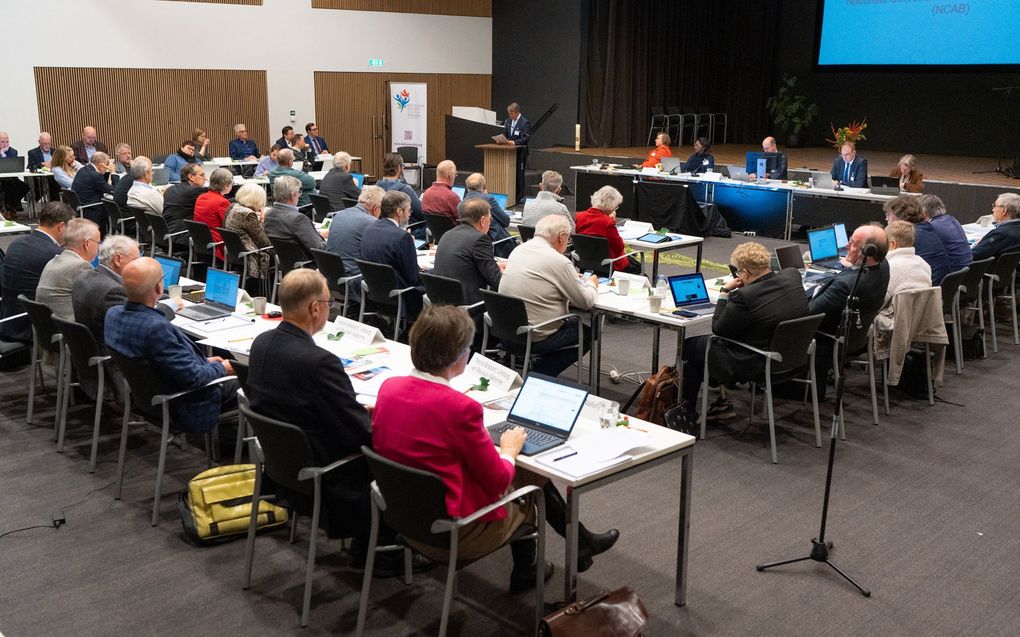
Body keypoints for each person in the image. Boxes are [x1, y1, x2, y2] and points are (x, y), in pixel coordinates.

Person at [371, 304, 619, 590]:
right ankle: (530, 569)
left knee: (526, 473)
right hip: (455, 532)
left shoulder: (389, 388)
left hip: (404, 517)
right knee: (531, 487)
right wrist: (509, 450)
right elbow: (499, 480)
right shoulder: (460, 408)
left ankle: (581, 544)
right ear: (460, 356)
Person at [247, 269, 373, 540]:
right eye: (329, 304)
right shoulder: (320, 362)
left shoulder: (261, 343)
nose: (330, 309)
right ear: (315, 308)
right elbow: (361, 433)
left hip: (284, 466)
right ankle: (381, 548)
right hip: (328, 472)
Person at [680, 242, 809, 424]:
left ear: (745, 273)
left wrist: (725, 292)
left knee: (691, 347)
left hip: (755, 361)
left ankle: (687, 412)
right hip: (792, 357)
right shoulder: (792, 276)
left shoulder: (745, 296)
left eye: (739, 272)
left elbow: (719, 328)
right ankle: (719, 401)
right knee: (706, 350)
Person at [105, 257, 236, 433]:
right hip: (186, 405)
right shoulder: (156, 329)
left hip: (149, 400)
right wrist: (223, 368)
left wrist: (204, 361)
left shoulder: (113, 315)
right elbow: (193, 378)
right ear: (159, 288)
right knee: (253, 379)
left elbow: (168, 364)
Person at [498, 215, 597, 377]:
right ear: (562, 237)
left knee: (570, 322)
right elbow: (586, 302)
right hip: (534, 336)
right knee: (587, 333)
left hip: (505, 332)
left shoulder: (518, 250)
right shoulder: (559, 261)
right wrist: (593, 284)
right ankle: (539, 374)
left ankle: (538, 369)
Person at [807, 225, 890, 399]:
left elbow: (809, 312)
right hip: (856, 338)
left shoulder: (846, 285)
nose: (846, 247)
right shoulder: (883, 267)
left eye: (852, 243)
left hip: (826, 340)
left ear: (866, 253)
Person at [0, 201, 73, 344]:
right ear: (61, 226)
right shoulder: (55, 255)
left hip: (8, 319)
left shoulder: (15, 244)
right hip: (33, 327)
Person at [72, 235, 157, 351]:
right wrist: (167, 307)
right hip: (112, 358)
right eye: (135, 260)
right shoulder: (113, 291)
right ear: (117, 259)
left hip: (87, 353)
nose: (139, 265)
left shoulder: (85, 276)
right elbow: (139, 327)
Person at [359, 190, 424, 320]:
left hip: (374, 292)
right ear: (399, 212)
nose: (409, 215)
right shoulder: (402, 237)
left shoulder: (368, 229)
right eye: (409, 211)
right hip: (400, 296)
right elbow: (413, 278)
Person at [435, 197, 503, 306]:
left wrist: (494, 266)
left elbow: (466, 264)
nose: (490, 223)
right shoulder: (480, 239)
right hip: (469, 308)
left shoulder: (447, 234)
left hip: (443, 305)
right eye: (490, 219)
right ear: (482, 221)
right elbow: (496, 280)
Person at [875, 221, 933, 334]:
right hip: (920, 323)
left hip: (894, 325)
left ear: (892, 244)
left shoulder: (890, 267)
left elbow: (878, 304)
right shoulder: (924, 264)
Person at [36, 219, 101, 321]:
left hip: (50, 329)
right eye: (98, 242)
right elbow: (98, 302)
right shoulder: (80, 266)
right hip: (69, 332)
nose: (99, 247)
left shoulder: (54, 260)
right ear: (87, 244)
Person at [574, 185, 641, 274]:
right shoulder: (607, 222)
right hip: (609, 265)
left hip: (585, 263)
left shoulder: (578, 217)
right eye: (616, 206)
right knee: (637, 266)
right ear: (610, 205)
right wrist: (612, 220)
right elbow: (619, 247)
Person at [883, 194, 949, 284]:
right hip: (935, 286)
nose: (886, 218)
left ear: (900, 216)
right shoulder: (927, 228)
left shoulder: (908, 235)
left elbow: (890, 263)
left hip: (925, 288)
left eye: (888, 214)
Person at [324, 185, 383, 277]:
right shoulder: (372, 222)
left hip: (330, 273)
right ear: (376, 209)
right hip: (354, 277)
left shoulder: (339, 214)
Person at [263, 174, 325, 256]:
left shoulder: (268, 214)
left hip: (286, 264)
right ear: (293, 195)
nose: (300, 195)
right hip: (308, 265)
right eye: (299, 192)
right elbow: (319, 249)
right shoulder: (298, 219)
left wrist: (317, 234)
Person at [224, 183, 273, 283]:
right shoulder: (248, 214)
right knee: (280, 255)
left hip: (235, 252)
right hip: (251, 256)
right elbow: (263, 242)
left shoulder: (232, 206)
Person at [460, 172, 513, 258]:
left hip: (471, 245)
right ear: (484, 185)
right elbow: (506, 221)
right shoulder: (487, 199)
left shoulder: (461, 204)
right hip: (497, 244)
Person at [376, 152, 425, 239]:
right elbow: (421, 213)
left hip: (380, 228)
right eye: (403, 166)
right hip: (401, 230)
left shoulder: (376, 186)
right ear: (399, 168)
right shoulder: (405, 189)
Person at [918, 194, 971, 273]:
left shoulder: (931, 227)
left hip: (950, 274)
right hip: (966, 271)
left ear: (924, 213)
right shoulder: (951, 219)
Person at [193, 168, 234, 261]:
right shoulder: (222, 202)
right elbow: (230, 225)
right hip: (218, 245)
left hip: (202, 242)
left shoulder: (201, 197)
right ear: (225, 186)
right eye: (231, 183)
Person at [162, 163, 207, 241]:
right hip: (182, 237)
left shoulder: (170, 189)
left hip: (165, 235)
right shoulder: (194, 191)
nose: (205, 178)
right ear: (191, 177)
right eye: (202, 175)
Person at [70, 152, 114, 230]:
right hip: (91, 210)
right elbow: (112, 190)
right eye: (107, 164)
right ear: (101, 164)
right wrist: (113, 173)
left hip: (82, 207)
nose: (108, 167)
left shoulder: (84, 169)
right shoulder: (95, 176)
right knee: (112, 206)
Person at [971, 193, 1020, 261]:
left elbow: (973, 255)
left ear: (1004, 210)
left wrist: (980, 244)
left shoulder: (1000, 234)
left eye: (995, 206)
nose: (993, 210)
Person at [500, 102, 531, 203]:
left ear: (517, 112)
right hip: (509, 153)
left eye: (511, 113)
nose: (510, 115)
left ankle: (519, 198)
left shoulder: (524, 122)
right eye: (509, 113)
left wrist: (513, 142)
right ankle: (510, 196)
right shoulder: (508, 121)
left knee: (519, 175)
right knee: (509, 174)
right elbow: (505, 133)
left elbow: (526, 137)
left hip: (520, 152)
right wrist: (501, 139)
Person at [0, 132, 29, 212]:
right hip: (1, 179)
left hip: (11, 178)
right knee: (8, 186)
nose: (5, 144)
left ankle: (9, 206)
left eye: (7, 142)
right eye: (2, 142)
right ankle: (10, 208)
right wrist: (2, 153)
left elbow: (11, 166)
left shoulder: (13, 151)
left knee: (24, 186)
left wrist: (3, 154)